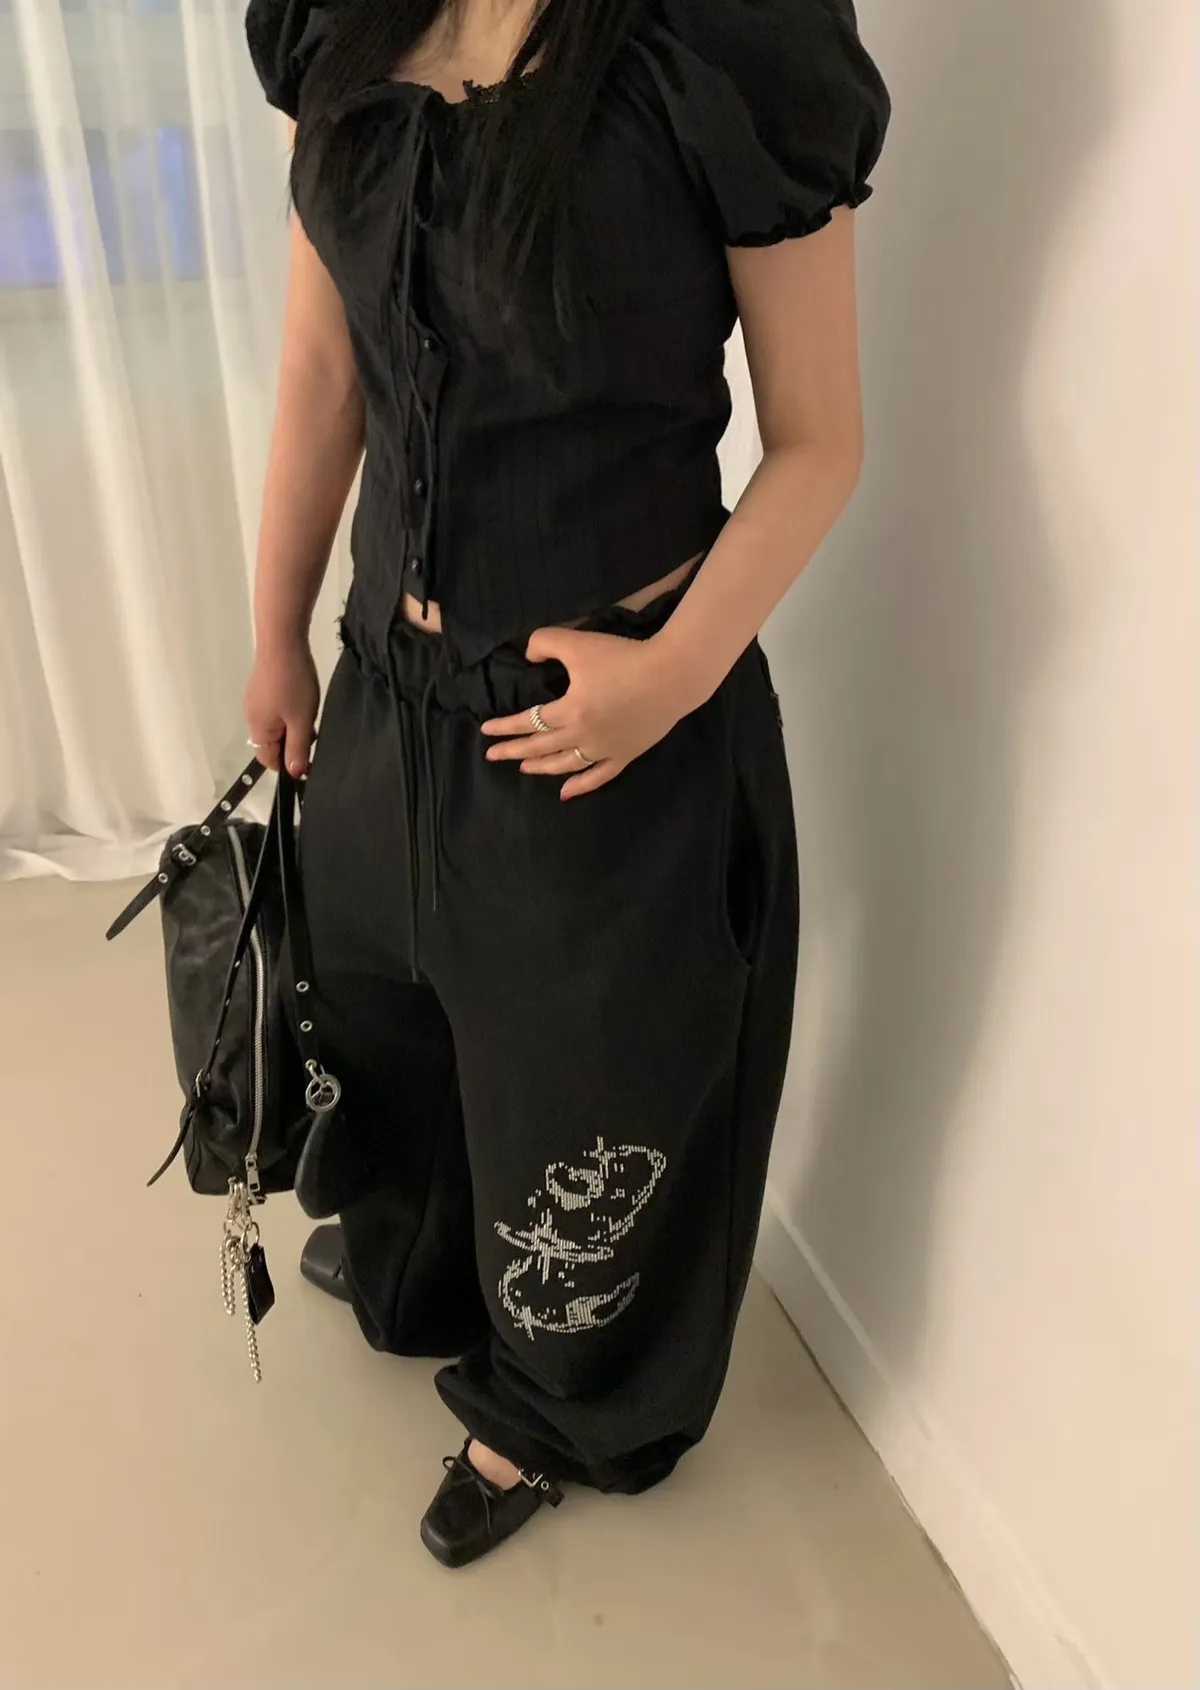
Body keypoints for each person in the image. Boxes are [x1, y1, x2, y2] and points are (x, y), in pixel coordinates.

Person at [241, 0, 888, 1568]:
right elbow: (323, 365)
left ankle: (557, 1404)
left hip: (602, 725)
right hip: (386, 691)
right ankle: (420, 1269)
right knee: (386, 1023)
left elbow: (821, 439)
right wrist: (275, 629)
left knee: (592, 1092)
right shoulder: (337, 22)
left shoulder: (726, 46)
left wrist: (671, 678)